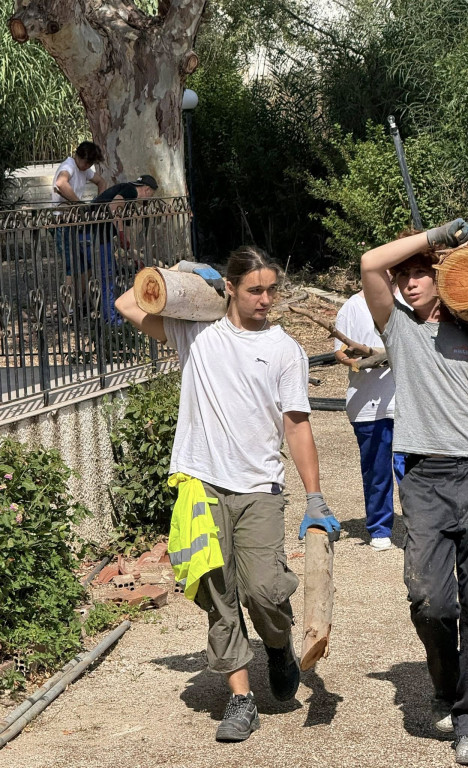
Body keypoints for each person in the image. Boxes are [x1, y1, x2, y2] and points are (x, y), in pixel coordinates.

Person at [115, 245, 340, 742]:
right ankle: (241, 698)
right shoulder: (196, 335)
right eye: (255, 289)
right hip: (200, 480)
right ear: (231, 289)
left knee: (262, 588)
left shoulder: (285, 349)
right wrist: (179, 273)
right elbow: (127, 305)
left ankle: (277, 645)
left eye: (271, 290)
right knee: (219, 592)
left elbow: (297, 425)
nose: (265, 299)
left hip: (258, 484)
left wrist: (314, 497)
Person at [361, 219, 468, 766]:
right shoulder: (396, 327)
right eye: (403, 276)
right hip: (424, 477)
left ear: (442, 277)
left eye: (419, 275)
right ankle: (447, 686)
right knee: (430, 600)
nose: (407, 283)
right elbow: (368, 263)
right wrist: (437, 235)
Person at [333, 290, 405, 551]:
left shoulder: (407, 302)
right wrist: (358, 362)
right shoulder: (352, 307)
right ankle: (379, 527)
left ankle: (419, 525)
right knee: (376, 470)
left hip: (405, 403)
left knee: (409, 468)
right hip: (366, 403)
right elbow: (339, 352)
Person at [90, 175, 158, 324]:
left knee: (111, 272)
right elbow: (113, 208)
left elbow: (125, 226)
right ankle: (111, 319)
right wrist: (120, 234)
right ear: (146, 189)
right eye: (150, 195)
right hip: (98, 233)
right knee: (108, 274)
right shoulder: (131, 191)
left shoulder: (130, 198)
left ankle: (113, 314)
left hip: (102, 233)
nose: (148, 200)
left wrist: (133, 255)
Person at [51, 141, 106, 290]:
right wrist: (79, 204)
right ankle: (68, 309)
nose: (87, 166)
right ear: (78, 156)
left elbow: (101, 182)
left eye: (90, 163)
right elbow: (61, 183)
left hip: (77, 222)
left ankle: (80, 303)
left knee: (86, 266)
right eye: (86, 162)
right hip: (63, 222)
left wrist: (97, 207)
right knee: (71, 267)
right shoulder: (69, 166)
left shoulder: (84, 170)